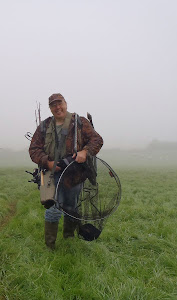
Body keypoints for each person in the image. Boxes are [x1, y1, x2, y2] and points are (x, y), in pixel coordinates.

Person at [29, 93, 103, 249]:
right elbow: (34, 149)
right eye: (53, 105)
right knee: (52, 209)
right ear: (50, 108)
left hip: (74, 174)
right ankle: (50, 247)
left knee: (71, 207)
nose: (57, 107)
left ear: (65, 103)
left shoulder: (80, 122)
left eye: (60, 103)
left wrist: (85, 152)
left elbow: (97, 140)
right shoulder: (44, 126)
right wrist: (47, 163)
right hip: (50, 175)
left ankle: (68, 239)